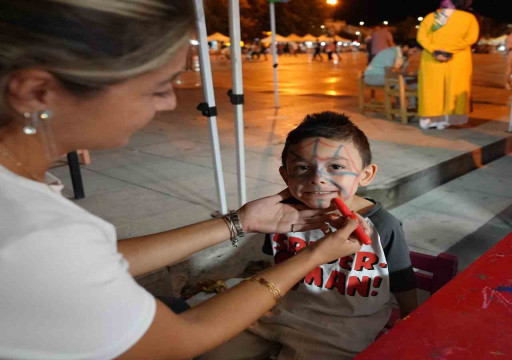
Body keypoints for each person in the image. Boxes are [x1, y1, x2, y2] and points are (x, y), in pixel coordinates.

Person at [0, 1, 367, 359]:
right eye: (158, 87)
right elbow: (181, 340)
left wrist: (240, 222)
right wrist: (313, 258)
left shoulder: (23, 199)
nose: (170, 103)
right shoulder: (30, 232)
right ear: (37, 92)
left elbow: (86, 261)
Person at [201, 112, 417, 360]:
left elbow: (403, 280)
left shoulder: (382, 225)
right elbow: (273, 269)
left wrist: (412, 320)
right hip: (276, 314)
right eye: (302, 168)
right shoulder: (279, 219)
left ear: (365, 174)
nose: (317, 179)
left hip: (342, 329)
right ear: (286, 176)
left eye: (336, 167)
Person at [416, 0, 479, 130]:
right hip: (458, 58)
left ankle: (428, 119)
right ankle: (447, 120)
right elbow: (472, 38)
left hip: (432, 58)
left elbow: (421, 37)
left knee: (432, 88)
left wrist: (436, 50)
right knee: (454, 88)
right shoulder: (469, 18)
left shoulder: (432, 16)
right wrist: (450, 49)